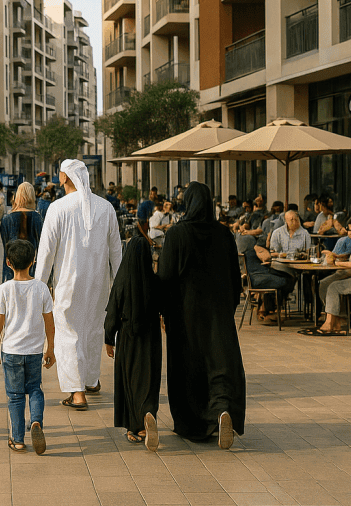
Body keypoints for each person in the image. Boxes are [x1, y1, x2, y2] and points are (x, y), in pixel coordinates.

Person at [156, 181, 245, 449]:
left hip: (186, 316)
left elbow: (165, 278)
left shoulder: (176, 234)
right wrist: (228, 308)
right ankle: (222, 410)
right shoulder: (224, 235)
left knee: (189, 368)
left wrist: (163, 311)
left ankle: (195, 423)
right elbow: (234, 278)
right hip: (218, 314)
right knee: (220, 366)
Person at [34, 160, 122, 411]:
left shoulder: (57, 208)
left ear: (63, 178)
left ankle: (77, 392)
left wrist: (39, 288)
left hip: (68, 285)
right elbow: (117, 253)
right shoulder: (106, 208)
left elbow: (46, 253)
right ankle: (91, 381)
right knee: (93, 329)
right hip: (99, 285)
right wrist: (121, 286)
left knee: (68, 333)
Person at [0, 239, 55, 455]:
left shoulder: (5, 289)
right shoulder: (42, 288)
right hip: (34, 351)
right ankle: (36, 422)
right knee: (35, 389)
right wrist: (50, 347)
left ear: (8, 263)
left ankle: (17, 439)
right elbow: (49, 322)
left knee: (15, 395)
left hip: (11, 352)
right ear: (33, 260)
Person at [105, 236, 161, 451]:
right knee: (149, 378)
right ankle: (148, 415)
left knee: (129, 380)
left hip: (128, 337)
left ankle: (133, 427)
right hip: (152, 338)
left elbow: (112, 312)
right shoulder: (155, 280)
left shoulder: (122, 281)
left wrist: (109, 339)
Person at [236, 235, 296, 323]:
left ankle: (267, 309)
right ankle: (271, 312)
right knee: (287, 280)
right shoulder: (256, 249)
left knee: (284, 278)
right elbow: (266, 257)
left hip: (252, 279)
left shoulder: (244, 254)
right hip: (259, 278)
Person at [0, 183, 44, 283]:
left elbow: (5, 247)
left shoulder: (7, 219)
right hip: (31, 270)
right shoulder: (37, 218)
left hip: (11, 271)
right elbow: (43, 248)